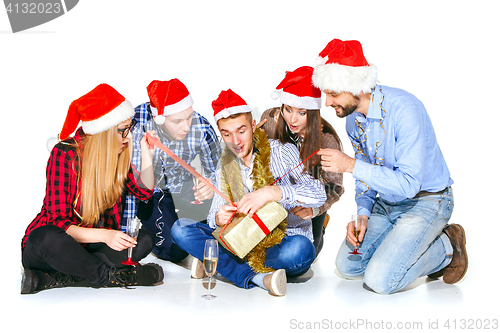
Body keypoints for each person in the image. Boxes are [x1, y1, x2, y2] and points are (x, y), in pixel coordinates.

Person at [312, 38, 467, 294]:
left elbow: (408, 184)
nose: (327, 103)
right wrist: (363, 213)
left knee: (381, 281)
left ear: (357, 87)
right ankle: (397, 246)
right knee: (346, 266)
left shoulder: (405, 109)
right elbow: (366, 175)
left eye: (333, 94)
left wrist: (349, 165)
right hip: (387, 203)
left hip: (426, 201)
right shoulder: (354, 121)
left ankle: (446, 246)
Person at [171, 89, 326, 296]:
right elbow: (212, 216)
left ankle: (216, 261)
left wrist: (273, 192)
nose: (235, 141)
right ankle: (258, 277)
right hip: (238, 239)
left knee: (301, 250)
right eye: (227, 134)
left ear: (253, 127)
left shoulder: (281, 150)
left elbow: (319, 193)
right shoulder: (224, 163)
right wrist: (219, 217)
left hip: (282, 242)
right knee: (180, 227)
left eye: (241, 131)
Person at [21, 84, 164, 294]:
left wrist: (146, 156)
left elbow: (144, 192)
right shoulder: (64, 155)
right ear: (104, 133)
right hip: (55, 248)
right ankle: (111, 277)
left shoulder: (117, 156)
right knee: (45, 236)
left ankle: (57, 278)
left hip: (91, 249)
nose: (128, 136)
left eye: (129, 128)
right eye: (123, 130)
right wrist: (106, 235)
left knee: (144, 240)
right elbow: (58, 222)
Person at [124, 79, 221, 262]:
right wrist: (127, 232)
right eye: (177, 121)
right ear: (158, 119)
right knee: (174, 252)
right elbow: (133, 188)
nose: (186, 126)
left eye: (189, 117)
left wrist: (209, 185)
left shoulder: (201, 127)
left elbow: (217, 173)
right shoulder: (136, 126)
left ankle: (199, 234)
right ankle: (152, 227)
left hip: (181, 187)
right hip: (146, 193)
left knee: (210, 211)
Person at [259, 65, 344, 256]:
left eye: (302, 113)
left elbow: (335, 187)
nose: (293, 119)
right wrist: (254, 139)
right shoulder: (270, 121)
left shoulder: (327, 140)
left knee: (307, 253)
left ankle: (321, 224)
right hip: (277, 196)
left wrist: (315, 210)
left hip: (308, 200)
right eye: (288, 109)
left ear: (312, 112)